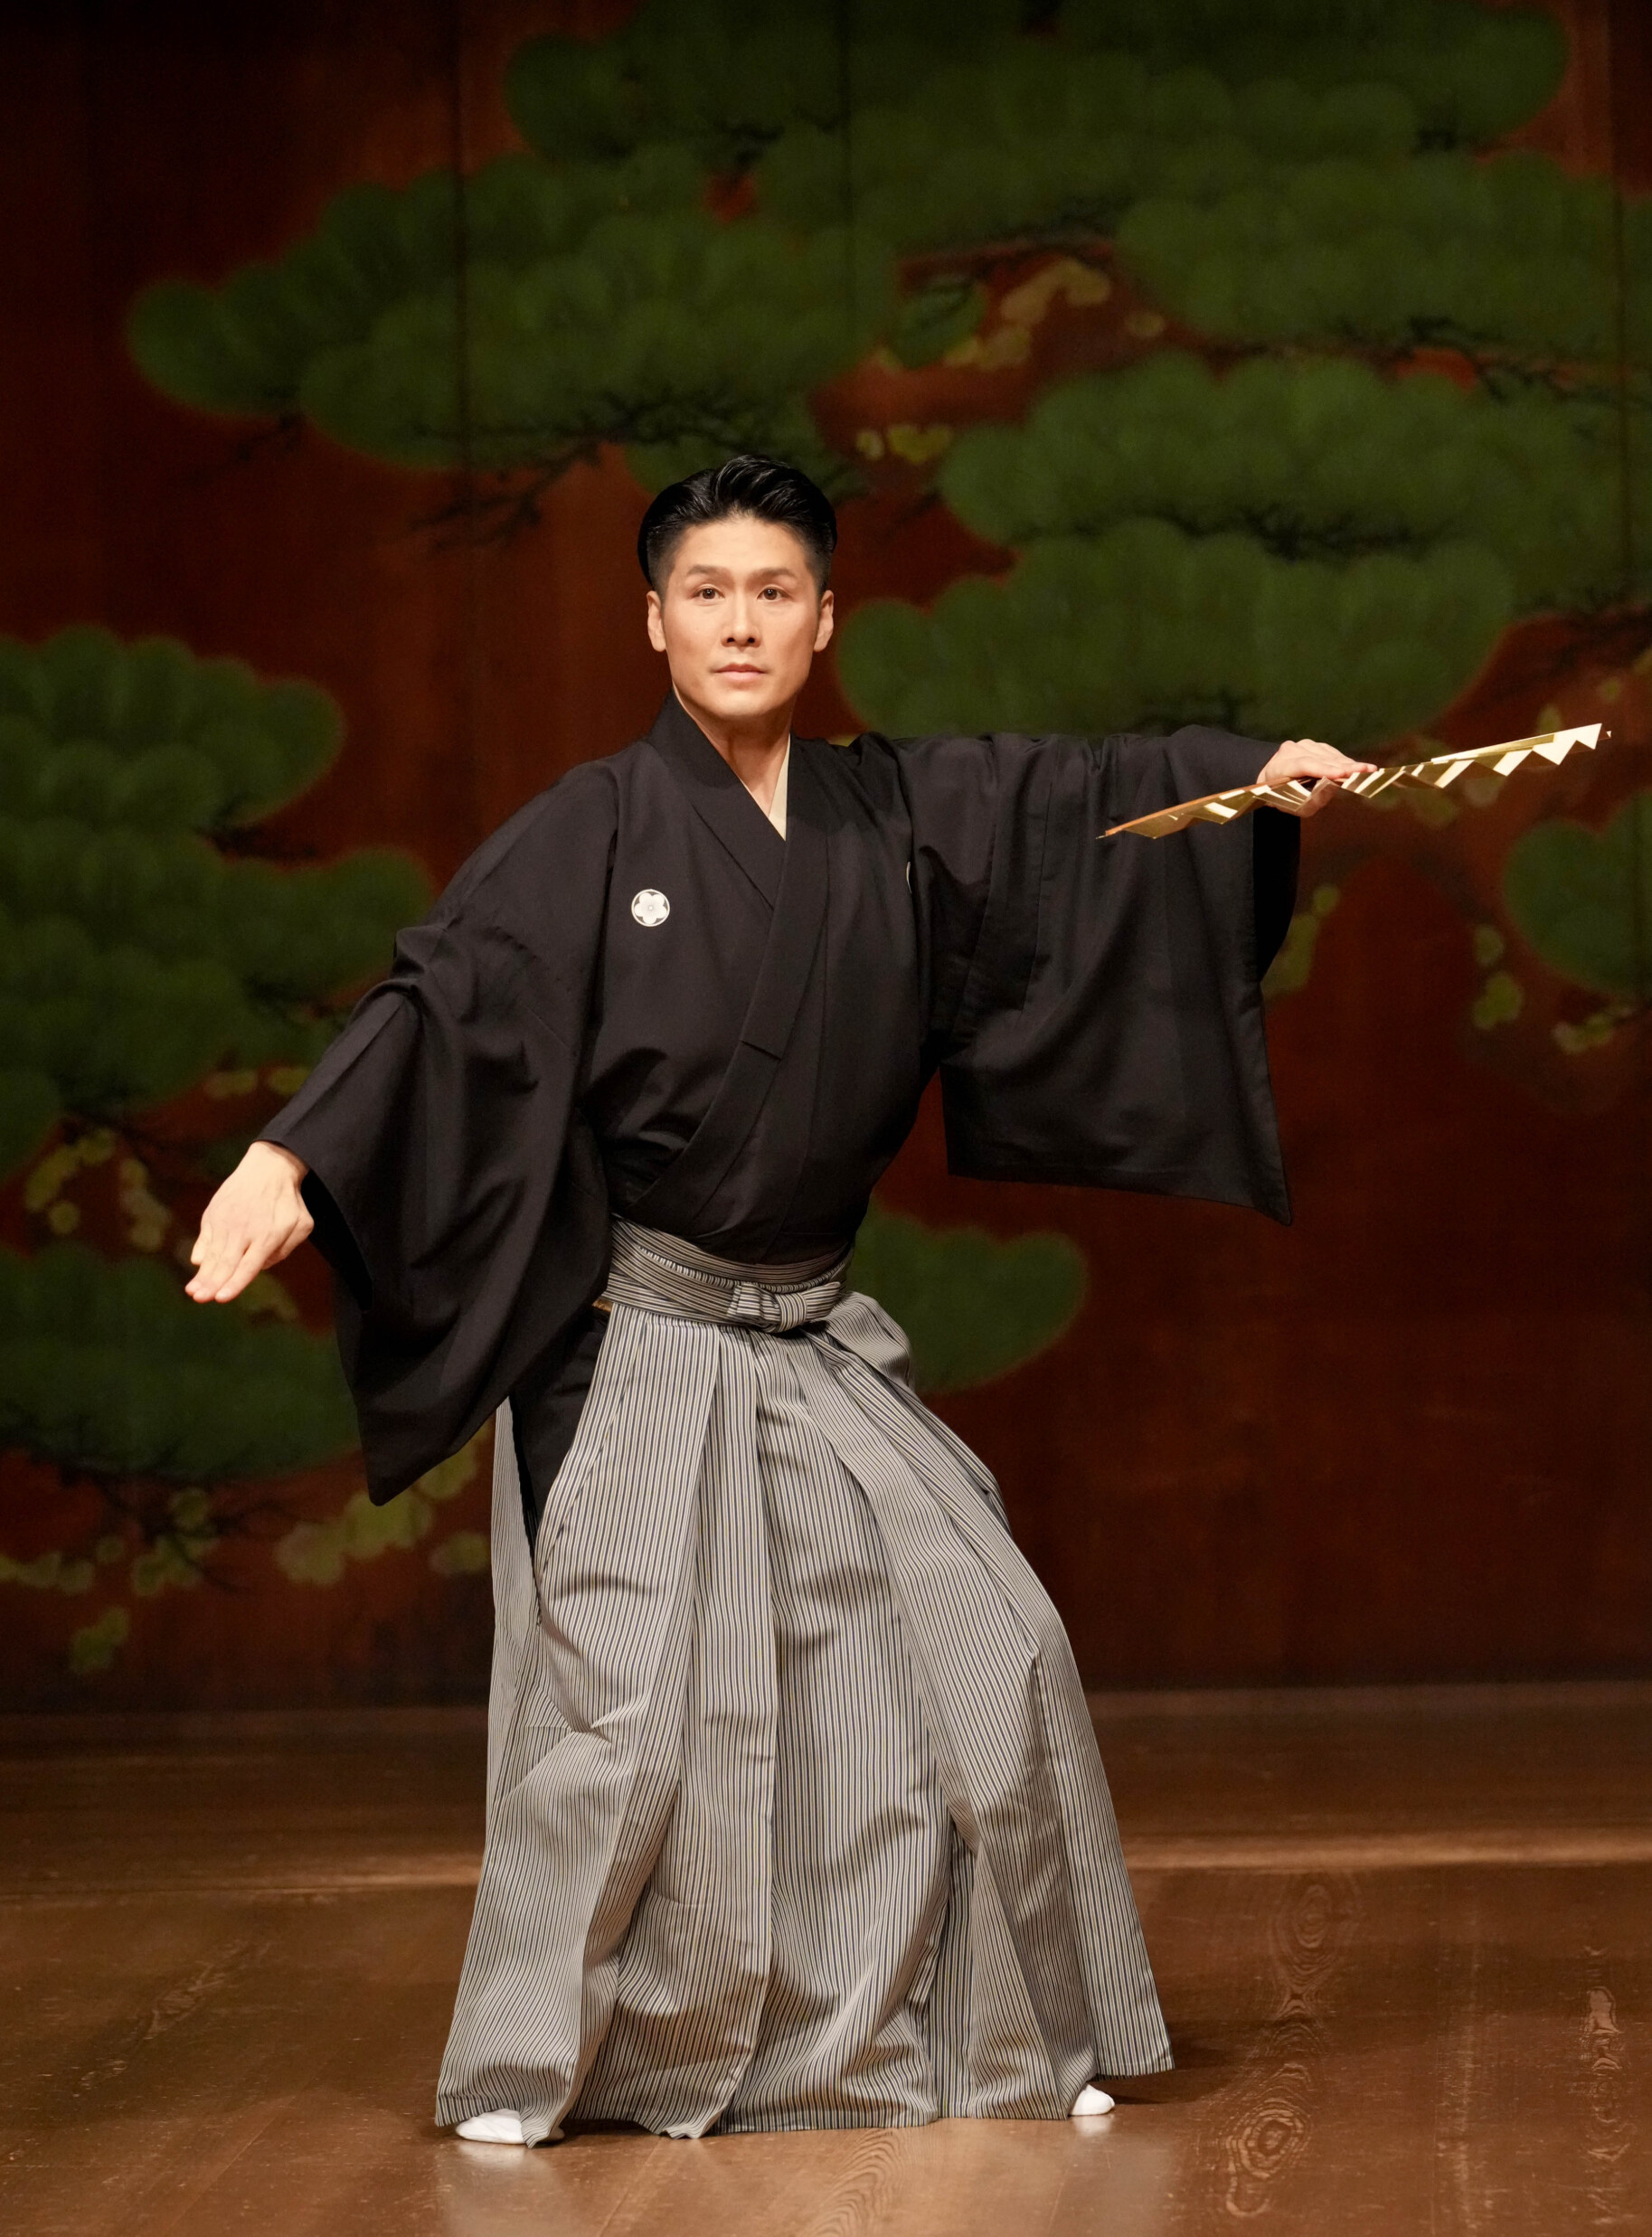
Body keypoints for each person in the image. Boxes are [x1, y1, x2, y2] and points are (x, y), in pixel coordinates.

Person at [188, 454, 1363, 2147]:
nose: (739, 623)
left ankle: (992, 2036)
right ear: (653, 621)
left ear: (825, 621)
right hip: (632, 1339)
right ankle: (533, 2065)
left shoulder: (900, 817)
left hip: (810, 1334)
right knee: (627, 1722)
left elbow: (1082, 808)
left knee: (993, 1651)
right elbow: (447, 996)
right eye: (706, 593)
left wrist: (1248, 780)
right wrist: (291, 1160)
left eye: (774, 592)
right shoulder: (592, 828)